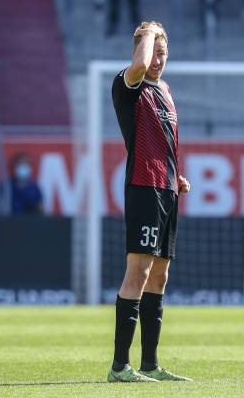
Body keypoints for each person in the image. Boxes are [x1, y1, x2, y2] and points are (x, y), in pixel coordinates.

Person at [107, 21, 192, 382]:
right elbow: (140, 66)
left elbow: (166, 143)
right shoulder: (129, 84)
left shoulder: (166, 91)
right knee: (138, 272)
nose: (157, 59)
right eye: (153, 51)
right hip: (143, 186)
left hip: (166, 189)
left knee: (160, 275)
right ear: (138, 50)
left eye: (163, 52)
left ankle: (150, 364)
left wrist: (177, 176)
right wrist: (150, 32)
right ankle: (118, 366)